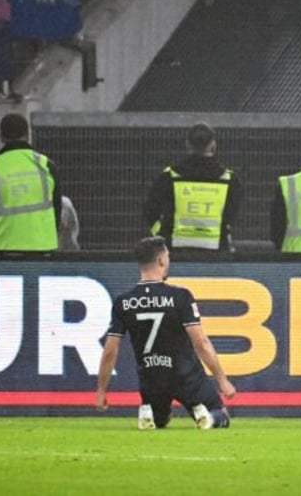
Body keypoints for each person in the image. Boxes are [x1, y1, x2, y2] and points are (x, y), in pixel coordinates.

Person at [95, 236, 236, 430]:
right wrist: (222, 380)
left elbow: (110, 350)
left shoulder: (123, 302)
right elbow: (201, 342)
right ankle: (206, 417)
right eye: (167, 257)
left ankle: (148, 412)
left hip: (150, 377)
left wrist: (101, 390)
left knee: (161, 421)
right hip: (185, 374)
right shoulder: (180, 296)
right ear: (161, 260)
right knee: (221, 415)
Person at [144, 122, 242, 252]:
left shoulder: (169, 176)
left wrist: (161, 233)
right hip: (216, 250)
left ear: (187, 144)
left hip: (174, 250)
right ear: (213, 145)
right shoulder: (229, 180)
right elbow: (231, 214)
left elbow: (150, 210)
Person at [0, 112, 62, 251]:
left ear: (1, 137)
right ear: (28, 135)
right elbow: (57, 212)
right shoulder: (46, 166)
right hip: (42, 252)